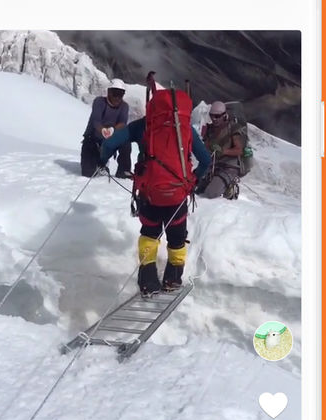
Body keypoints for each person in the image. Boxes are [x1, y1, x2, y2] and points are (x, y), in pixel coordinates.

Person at [99, 87, 211, 296]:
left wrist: (102, 160)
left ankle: (148, 282)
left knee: (150, 234)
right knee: (177, 238)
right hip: (178, 194)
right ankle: (172, 280)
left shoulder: (143, 126)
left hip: (150, 194)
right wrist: (193, 180)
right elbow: (205, 160)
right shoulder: (185, 128)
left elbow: (110, 143)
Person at [81, 78, 132, 178]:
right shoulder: (99, 102)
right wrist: (103, 130)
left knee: (126, 142)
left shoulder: (124, 106)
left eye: (120, 94)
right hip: (93, 138)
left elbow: (122, 123)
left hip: (111, 139)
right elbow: (96, 121)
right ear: (109, 92)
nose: (117, 97)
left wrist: (112, 130)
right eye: (115, 93)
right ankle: (98, 162)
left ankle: (123, 171)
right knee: (87, 173)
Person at [198, 100, 247, 199]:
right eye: (212, 116)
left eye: (217, 116)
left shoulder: (233, 128)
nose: (214, 119)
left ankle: (230, 187)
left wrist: (223, 151)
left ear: (224, 115)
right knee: (197, 189)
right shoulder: (209, 129)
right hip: (213, 166)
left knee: (210, 193)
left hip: (229, 166)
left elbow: (239, 150)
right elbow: (206, 147)